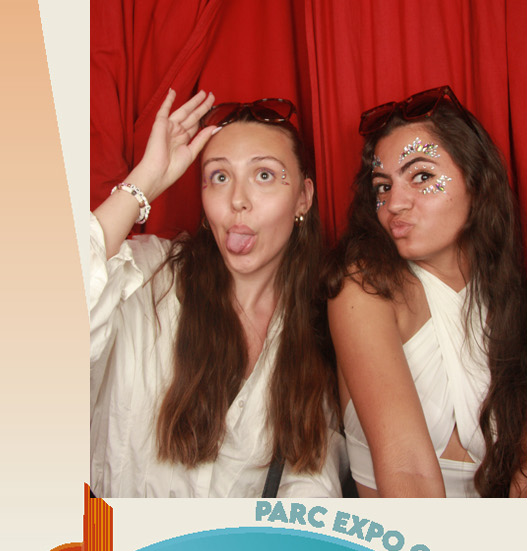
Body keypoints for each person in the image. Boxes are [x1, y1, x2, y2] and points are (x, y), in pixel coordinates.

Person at [91, 91, 344, 498]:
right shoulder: (144, 277)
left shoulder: (320, 328)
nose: (237, 200)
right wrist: (145, 181)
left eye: (264, 175)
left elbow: (311, 480)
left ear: (303, 198)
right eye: (219, 177)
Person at [325, 86, 526, 496]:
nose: (394, 203)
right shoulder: (364, 289)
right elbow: (409, 473)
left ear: (476, 181)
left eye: (421, 176)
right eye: (382, 186)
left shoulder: (511, 295)